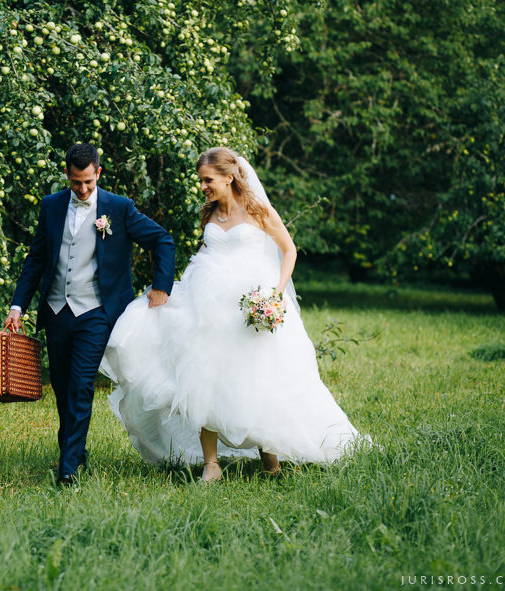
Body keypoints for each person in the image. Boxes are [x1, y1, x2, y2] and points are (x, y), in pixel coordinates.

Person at [101, 147, 367, 482]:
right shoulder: (209, 214)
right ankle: (211, 464)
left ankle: (270, 456)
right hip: (206, 306)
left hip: (248, 307)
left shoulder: (257, 210)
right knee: (203, 374)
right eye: (201, 181)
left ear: (229, 177)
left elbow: (289, 250)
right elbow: (207, 254)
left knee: (256, 376)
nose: (203, 186)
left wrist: (276, 293)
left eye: (208, 180)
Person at [6, 143, 176, 486]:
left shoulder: (119, 208)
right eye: (75, 183)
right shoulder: (51, 207)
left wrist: (162, 286)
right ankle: (76, 453)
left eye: (88, 182)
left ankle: (67, 469)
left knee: (81, 386)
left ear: (98, 172)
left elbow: (163, 241)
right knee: (62, 386)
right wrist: (17, 306)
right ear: (67, 175)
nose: (83, 189)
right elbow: (36, 260)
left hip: (96, 311)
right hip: (56, 310)